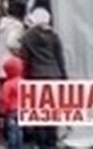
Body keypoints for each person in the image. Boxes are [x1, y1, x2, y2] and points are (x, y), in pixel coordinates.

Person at [19, 8, 65, 148]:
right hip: (55, 75)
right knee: (53, 111)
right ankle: (52, 141)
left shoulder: (27, 37)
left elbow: (25, 57)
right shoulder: (54, 36)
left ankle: (40, 142)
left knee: (39, 112)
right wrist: (64, 76)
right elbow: (60, 58)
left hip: (36, 75)